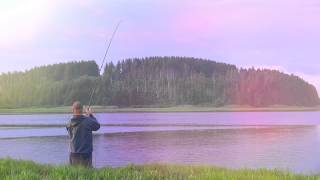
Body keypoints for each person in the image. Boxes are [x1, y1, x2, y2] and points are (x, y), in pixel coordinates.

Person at [66, 101, 100, 167]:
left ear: (73, 110)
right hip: (86, 153)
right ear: (82, 110)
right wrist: (90, 115)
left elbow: (68, 129)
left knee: (74, 174)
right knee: (87, 174)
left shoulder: (69, 123)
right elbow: (97, 126)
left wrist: (87, 117)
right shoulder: (88, 120)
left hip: (73, 152)